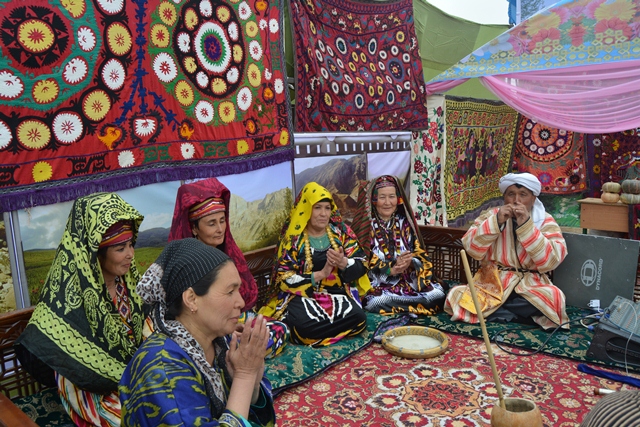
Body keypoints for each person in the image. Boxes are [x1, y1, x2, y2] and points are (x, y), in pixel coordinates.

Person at [15, 192, 151, 427]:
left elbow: (146, 333)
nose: (130, 254)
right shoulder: (67, 298)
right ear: (95, 253)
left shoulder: (128, 286)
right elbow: (71, 366)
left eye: (131, 245)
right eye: (120, 248)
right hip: (87, 388)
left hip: (133, 379)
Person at [119, 238, 275, 427]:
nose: (241, 302)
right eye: (230, 292)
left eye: (238, 290)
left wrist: (253, 382)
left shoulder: (219, 341)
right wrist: (245, 375)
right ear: (191, 299)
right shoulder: (161, 368)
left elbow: (245, 411)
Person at [169, 177, 288, 358]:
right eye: (211, 223)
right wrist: (226, 330)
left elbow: (241, 303)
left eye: (222, 221)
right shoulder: (188, 265)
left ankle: (241, 353)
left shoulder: (227, 255)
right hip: (208, 328)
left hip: (235, 318)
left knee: (279, 329)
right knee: (234, 344)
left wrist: (237, 322)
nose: (220, 229)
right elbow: (191, 316)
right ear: (194, 228)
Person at [445, 172, 569, 329]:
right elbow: (472, 248)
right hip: (492, 282)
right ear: (504, 197)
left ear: (533, 199)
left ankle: (499, 313)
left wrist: (527, 227)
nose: (516, 200)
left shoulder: (545, 220)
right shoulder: (491, 215)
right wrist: (496, 221)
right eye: (511, 194)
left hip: (530, 284)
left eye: (523, 195)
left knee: (555, 297)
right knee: (457, 295)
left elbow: (552, 260)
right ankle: (518, 316)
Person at [259, 182, 371, 347]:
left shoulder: (341, 233)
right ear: (306, 209)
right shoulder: (293, 239)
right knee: (303, 328)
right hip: (303, 297)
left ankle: (319, 333)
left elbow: (362, 262)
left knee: (359, 318)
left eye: (327, 208)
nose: (323, 214)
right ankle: (320, 332)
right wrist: (320, 274)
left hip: (336, 295)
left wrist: (343, 262)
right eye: (317, 207)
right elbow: (283, 277)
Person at [351, 175, 446, 315]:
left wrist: (411, 262)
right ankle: (411, 308)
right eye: (382, 197)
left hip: (408, 281)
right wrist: (390, 269)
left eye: (392, 196)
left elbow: (419, 253)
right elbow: (361, 261)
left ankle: (404, 308)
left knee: (438, 295)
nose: (387, 202)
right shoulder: (366, 226)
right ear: (374, 200)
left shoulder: (405, 224)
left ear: (398, 199)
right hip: (378, 284)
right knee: (375, 302)